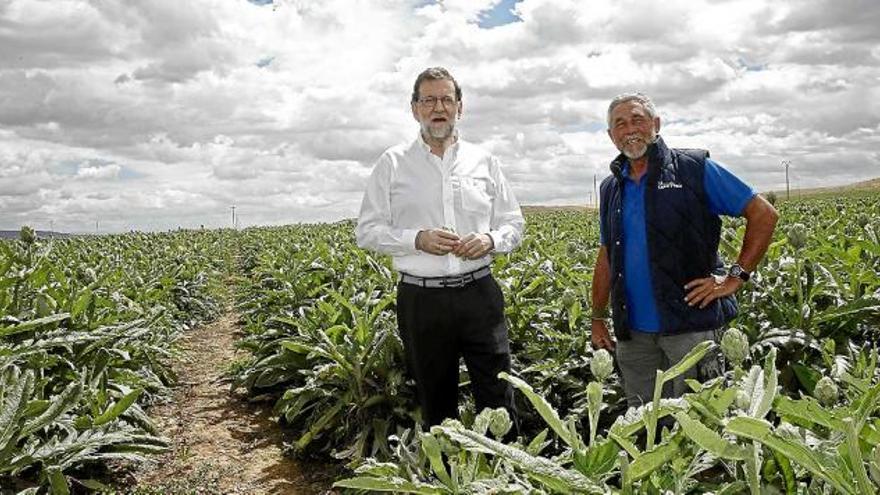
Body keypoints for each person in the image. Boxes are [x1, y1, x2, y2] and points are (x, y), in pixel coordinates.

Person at [356, 67, 524, 428]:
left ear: (459, 108)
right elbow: (367, 231)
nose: (439, 107)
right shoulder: (393, 163)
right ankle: (447, 477)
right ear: (414, 108)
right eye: (429, 99)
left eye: (447, 99)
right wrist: (416, 239)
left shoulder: (485, 161)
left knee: (498, 397)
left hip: (480, 293)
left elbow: (514, 223)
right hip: (422, 300)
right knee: (436, 400)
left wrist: (490, 240)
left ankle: (502, 478)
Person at [591, 93, 778, 408]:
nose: (630, 129)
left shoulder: (693, 169)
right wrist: (597, 316)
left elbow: (764, 214)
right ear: (611, 136)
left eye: (638, 119)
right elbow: (608, 255)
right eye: (620, 124)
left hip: (690, 326)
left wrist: (735, 277)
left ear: (656, 124)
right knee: (644, 422)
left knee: (701, 420)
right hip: (633, 334)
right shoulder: (612, 187)